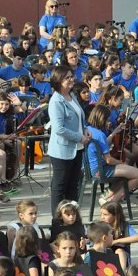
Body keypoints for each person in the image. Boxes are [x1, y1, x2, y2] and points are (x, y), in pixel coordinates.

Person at [48, 66, 91, 216]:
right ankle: (57, 219)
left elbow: (79, 117)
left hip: (77, 148)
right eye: (67, 78)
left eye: (72, 76)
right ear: (58, 81)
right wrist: (79, 137)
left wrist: (84, 128)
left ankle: (72, 216)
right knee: (60, 187)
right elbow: (59, 128)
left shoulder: (72, 95)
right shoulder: (56, 101)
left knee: (73, 186)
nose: (72, 79)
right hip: (62, 150)